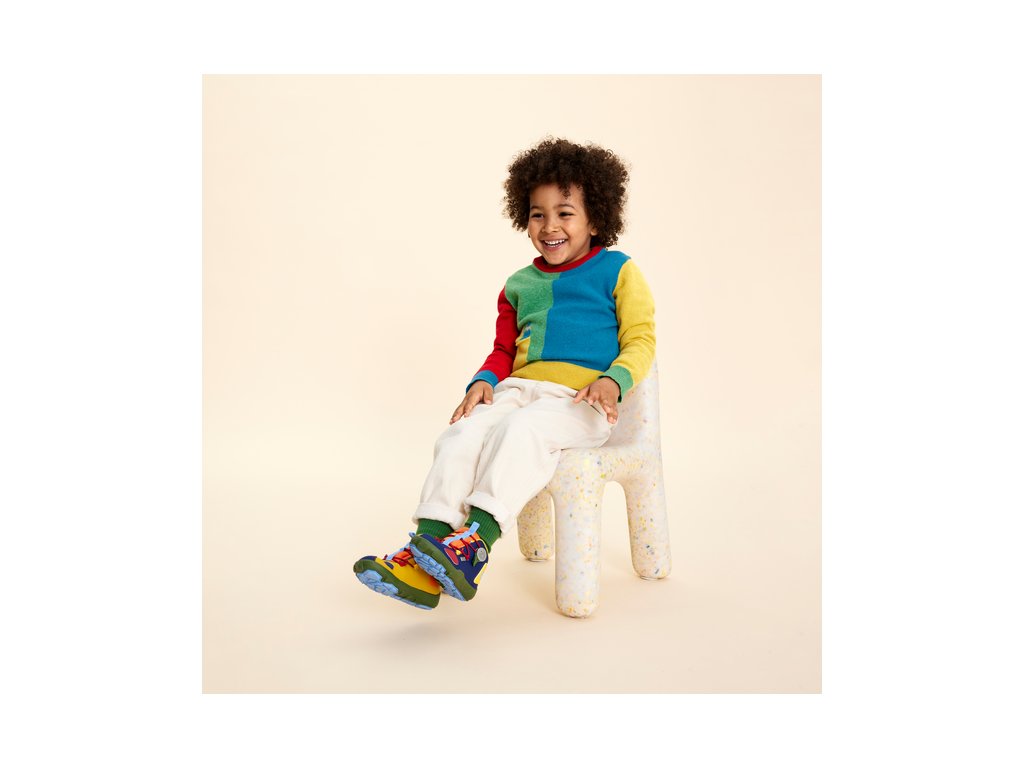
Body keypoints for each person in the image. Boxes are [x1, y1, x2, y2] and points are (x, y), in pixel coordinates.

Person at [353, 136, 656, 610]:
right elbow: (502, 350)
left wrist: (612, 380)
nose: (549, 226)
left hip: (580, 403)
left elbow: (641, 340)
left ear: (596, 218)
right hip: (519, 390)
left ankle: (475, 543)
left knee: (521, 431)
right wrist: (483, 381)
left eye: (565, 213)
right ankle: (425, 552)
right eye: (537, 214)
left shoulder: (618, 270)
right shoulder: (518, 284)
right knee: (462, 434)